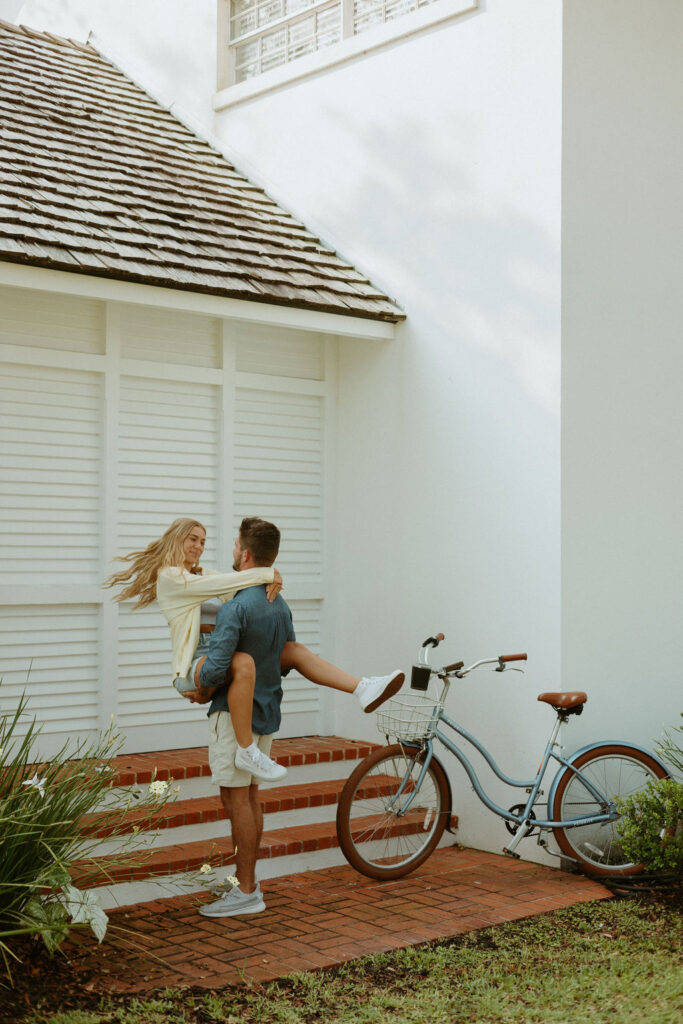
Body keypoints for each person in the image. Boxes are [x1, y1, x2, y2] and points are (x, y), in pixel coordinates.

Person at [104, 517, 404, 787]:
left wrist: (271, 577)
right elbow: (230, 581)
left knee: (293, 649)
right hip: (194, 662)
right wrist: (270, 573)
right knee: (245, 662)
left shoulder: (201, 573)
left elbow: (235, 583)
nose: (199, 545)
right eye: (192, 538)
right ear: (176, 539)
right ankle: (246, 750)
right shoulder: (171, 577)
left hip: (221, 650)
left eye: (203, 541)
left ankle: (363, 687)